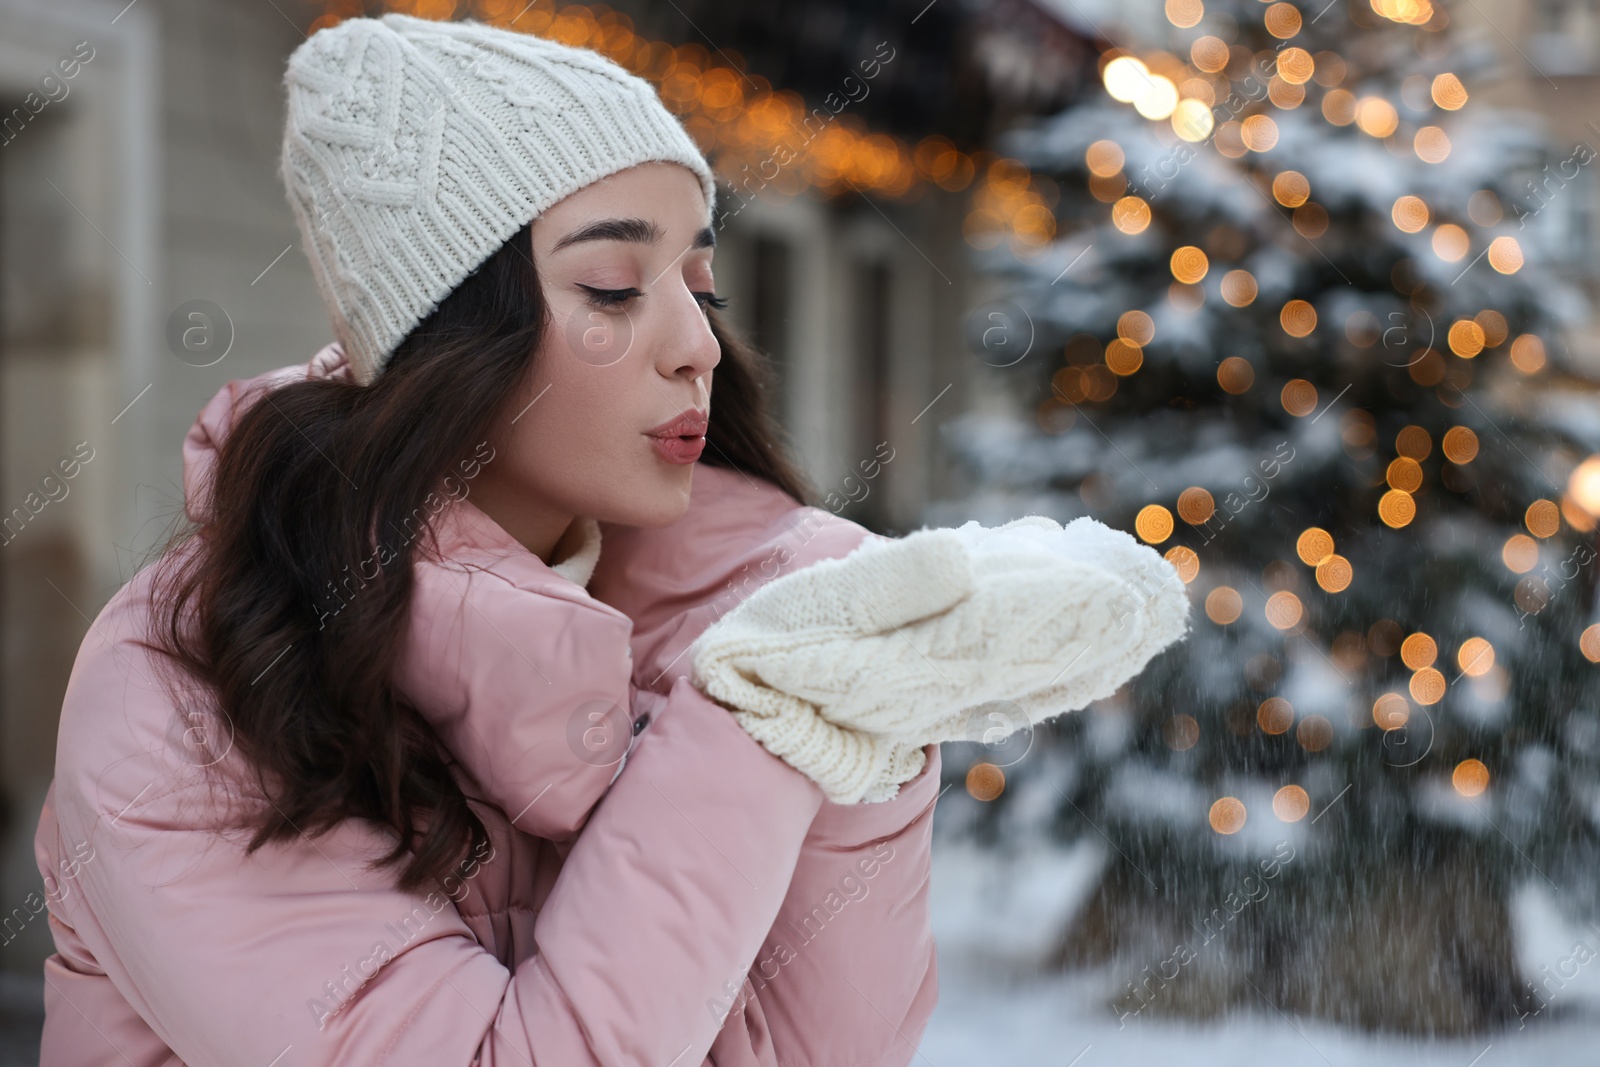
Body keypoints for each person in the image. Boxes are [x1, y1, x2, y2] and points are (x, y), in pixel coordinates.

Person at [31, 13, 1190, 1066]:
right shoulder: (194, 681)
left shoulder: (743, 618)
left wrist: (859, 731)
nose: (699, 346)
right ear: (445, 335)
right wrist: (756, 724)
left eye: (701, 285)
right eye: (611, 286)